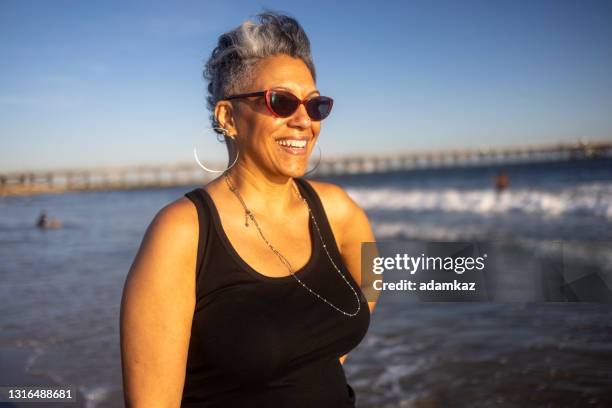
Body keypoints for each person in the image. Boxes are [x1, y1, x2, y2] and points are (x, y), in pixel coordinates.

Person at [120, 12, 377, 408]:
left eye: (315, 106)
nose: (303, 121)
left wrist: (320, 356)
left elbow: (372, 280)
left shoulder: (338, 209)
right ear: (228, 118)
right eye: (281, 101)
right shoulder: (182, 233)